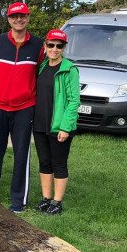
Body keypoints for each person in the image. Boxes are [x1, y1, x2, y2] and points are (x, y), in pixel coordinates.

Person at [0, 1, 45, 212]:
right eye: (14, 17)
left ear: (28, 18)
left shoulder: (37, 45)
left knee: (21, 154)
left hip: (24, 107)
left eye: (22, 16)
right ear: (8, 19)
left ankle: (18, 200)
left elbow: (40, 76)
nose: (19, 20)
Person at [32, 29, 80, 215]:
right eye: (51, 45)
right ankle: (46, 199)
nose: (54, 49)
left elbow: (74, 100)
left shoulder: (70, 69)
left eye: (59, 46)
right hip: (40, 123)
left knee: (58, 163)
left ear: (64, 48)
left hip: (59, 126)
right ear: (45, 46)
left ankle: (57, 202)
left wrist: (66, 127)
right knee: (44, 162)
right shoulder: (42, 66)